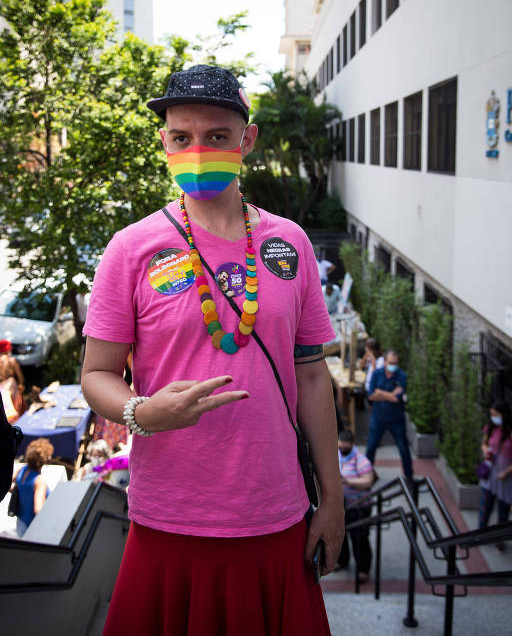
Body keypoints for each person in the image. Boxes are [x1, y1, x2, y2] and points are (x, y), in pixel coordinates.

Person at [81, 64, 344, 636]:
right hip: (170, 518)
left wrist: (333, 499)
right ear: (165, 142)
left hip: (276, 514)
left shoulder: (289, 243)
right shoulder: (130, 249)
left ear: (246, 139)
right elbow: (98, 373)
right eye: (182, 138)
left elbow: (313, 376)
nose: (198, 151)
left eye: (217, 137)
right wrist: (142, 412)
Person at [366, 349, 413, 481]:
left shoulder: (401, 376)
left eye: (396, 363)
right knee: (371, 447)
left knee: (403, 449)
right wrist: (391, 395)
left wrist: (380, 393)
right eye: (391, 362)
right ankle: (367, 474)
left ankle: (409, 476)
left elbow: (397, 399)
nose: (393, 365)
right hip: (378, 418)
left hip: (396, 419)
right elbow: (371, 396)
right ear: (385, 362)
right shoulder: (377, 374)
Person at [336, 429, 374, 582]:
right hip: (342, 505)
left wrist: (348, 481)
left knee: (360, 538)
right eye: (341, 447)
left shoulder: (361, 460)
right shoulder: (336, 456)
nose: (343, 450)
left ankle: (363, 569)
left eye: (346, 448)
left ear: (352, 445)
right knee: (341, 535)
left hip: (359, 507)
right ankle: (342, 560)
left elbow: (367, 481)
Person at [479, 400, 512, 547]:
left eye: (496, 415)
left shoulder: (510, 432)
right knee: (485, 505)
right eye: (492, 415)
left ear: (504, 415)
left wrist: (506, 472)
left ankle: (499, 539)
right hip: (490, 473)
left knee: (503, 509)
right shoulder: (491, 428)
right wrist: (485, 450)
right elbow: (484, 443)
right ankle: (481, 533)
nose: (493, 417)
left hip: (505, 476)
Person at [12, 437, 54, 536]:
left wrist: (21, 490)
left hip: (20, 522)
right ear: (46, 458)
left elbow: (10, 485)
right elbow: (38, 509)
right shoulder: (39, 481)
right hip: (31, 527)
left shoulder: (22, 470)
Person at [0, 339, 25, 422]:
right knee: (15, 407)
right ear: (8, 349)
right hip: (10, 385)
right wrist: (21, 384)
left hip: (1, 387)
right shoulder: (11, 361)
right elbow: (20, 376)